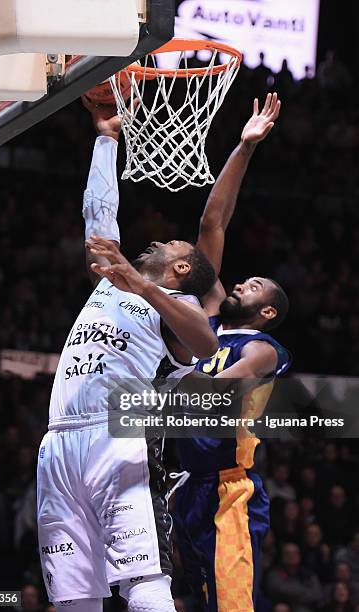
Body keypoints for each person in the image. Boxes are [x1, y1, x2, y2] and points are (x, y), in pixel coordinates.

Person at [36, 101, 218, 612]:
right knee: (73, 593)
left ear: (180, 267)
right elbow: (98, 214)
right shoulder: (116, 278)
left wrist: (142, 286)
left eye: (169, 243)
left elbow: (206, 345)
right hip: (59, 441)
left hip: (117, 436)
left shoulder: (177, 304)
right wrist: (107, 138)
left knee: (141, 578)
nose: (157, 239)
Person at [172, 93, 291, 612]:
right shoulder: (213, 323)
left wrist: (174, 389)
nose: (244, 281)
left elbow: (223, 390)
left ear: (268, 311)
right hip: (187, 487)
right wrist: (243, 148)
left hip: (229, 493)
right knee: (181, 600)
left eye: (257, 284)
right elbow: (212, 227)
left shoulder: (264, 349)